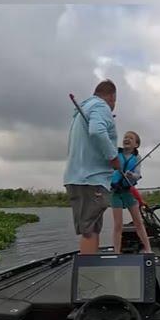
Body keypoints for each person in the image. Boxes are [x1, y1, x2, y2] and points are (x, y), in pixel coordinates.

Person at [63, 80, 120, 254]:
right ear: (111, 96)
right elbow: (97, 131)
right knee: (90, 231)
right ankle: (87, 279)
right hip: (91, 180)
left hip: (77, 178)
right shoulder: (101, 107)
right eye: (115, 101)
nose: (114, 106)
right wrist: (113, 158)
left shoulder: (84, 110)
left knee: (92, 229)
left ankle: (90, 273)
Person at [111, 131, 152, 254]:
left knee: (138, 222)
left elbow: (138, 175)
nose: (127, 139)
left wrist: (131, 175)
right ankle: (117, 252)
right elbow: (108, 167)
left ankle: (148, 249)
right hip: (115, 192)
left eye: (130, 138)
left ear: (136, 144)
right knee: (118, 225)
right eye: (125, 137)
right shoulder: (116, 153)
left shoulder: (137, 157)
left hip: (129, 191)